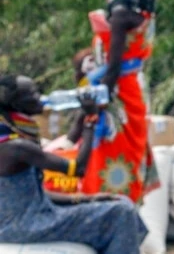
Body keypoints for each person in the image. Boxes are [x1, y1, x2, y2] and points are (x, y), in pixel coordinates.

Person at [0, 74, 147, 252]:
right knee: (121, 213)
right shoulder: (18, 146)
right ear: (16, 104)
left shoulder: (11, 138)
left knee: (122, 203)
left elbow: (33, 194)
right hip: (28, 226)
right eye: (33, 93)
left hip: (22, 222)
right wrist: (91, 119)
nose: (40, 96)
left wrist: (87, 198)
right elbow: (78, 168)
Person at [80, 0, 160, 202]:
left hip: (120, 94)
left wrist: (99, 101)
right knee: (129, 152)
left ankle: (110, 207)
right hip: (135, 87)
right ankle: (127, 203)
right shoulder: (140, 13)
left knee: (112, 154)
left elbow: (113, 66)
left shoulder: (120, 15)